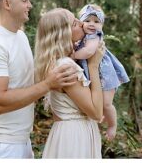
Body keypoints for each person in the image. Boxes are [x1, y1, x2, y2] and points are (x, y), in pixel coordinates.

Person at [0, 0, 81, 159]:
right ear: (7, 4)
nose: (29, 5)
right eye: (24, 0)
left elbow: (26, 83)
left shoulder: (20, 37)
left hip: (21, 140)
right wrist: (48, 84)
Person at [38, 8, 106, 158]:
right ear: (63, 33)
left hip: (67, 132)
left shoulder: (56, 62)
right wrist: (93, 66)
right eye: (75, 23)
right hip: (75, 138)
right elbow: (96, 112)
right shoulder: (66, 66)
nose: (82, 23)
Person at [70, 4, 129, 140]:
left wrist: (73, 55)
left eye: (97, 21)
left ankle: (112, 125)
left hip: (105, 75)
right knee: (97, 101)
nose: (92, 24)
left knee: (106, 103)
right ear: (81, 22)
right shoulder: (83, 37)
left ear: (102, 25)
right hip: (93, 74)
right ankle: (99, 115)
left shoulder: (94, 37)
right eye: (87, 20)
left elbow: (89, 51)